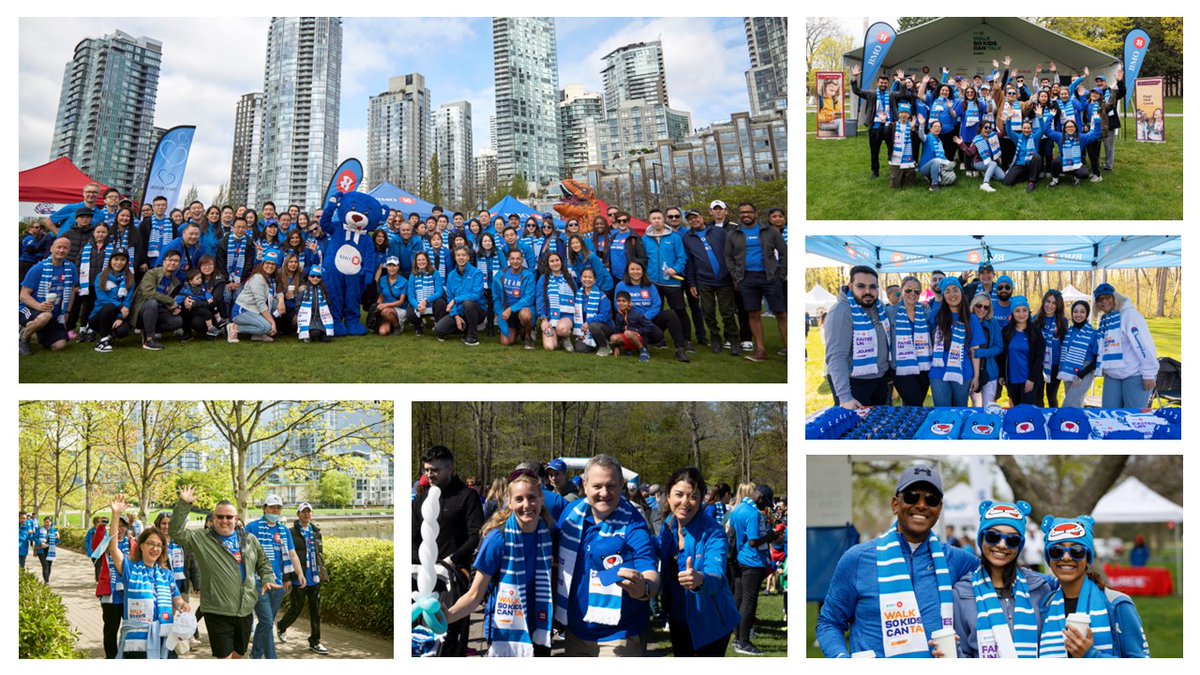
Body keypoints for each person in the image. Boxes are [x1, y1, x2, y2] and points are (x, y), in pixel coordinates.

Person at [816, 465, 978, 658]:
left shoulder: (960, 560)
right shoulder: (857, 559)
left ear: (939, 509)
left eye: (931, 499)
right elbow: (829, 623)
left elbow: (1000, 583)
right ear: (895, 504)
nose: (921, 505)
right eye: (911, 497)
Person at [555, 454, 659, 656]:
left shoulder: (634, 526)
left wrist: (644, 588)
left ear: (621, 485)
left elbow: (649, 570)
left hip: (619, 637)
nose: (604, 493)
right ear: (585, 485)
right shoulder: (570, 515)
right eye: (597, 486)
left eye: (611, 486)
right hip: (575, 632)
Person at [444, 469, 555, 656]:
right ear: (509, 503)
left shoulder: (549, 533)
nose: (526, 505)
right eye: (519, 499)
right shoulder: (496, 540)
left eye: (532, 497)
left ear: (542, 499)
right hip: (504, 629)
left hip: (540, 628)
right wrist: (448, 616)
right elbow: (474, 595)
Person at [169, 486, 280, 659]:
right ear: (213, 519)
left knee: (238, 655)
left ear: (236, 519)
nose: (224, 520)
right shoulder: (201, 538)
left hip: (245, 610)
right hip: (217, 611)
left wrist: (267, 578)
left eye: (229, 517)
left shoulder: (249, 539)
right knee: (224, 658)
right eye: (220, 517)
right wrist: (184, 504)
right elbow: (175, 532)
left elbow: (263, 562)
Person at [952, 500, 1055, 658]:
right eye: (993, 536)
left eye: (1012, 540)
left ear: (1020, 545)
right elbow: (963, 654)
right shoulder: (961, 593)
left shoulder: (1039, 589)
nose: (1001, 545)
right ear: (981, 539)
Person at [1039, 515, 1150, 657]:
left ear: (1088, 559)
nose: (1066, 557)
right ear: (1049, 559)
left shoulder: (1116, 604)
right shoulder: (1044, 606)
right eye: (1056, 551)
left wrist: (1090, 655)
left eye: (1077, 551)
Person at [411, 446, 484, 655]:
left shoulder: (467, 497)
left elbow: (475, 535)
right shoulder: (422, 500)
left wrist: (452, 559)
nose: (429, 474)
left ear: (449, 469)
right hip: (423, 576)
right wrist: (421, 562)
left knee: (450, 633)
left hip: (454, 575)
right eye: (426, 470)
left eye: (434, 470)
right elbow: (412, 536)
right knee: (421, 637)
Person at [104, 495, 190, 658]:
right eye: (150, 543)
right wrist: (115, 516)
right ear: (141, 546)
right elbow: (113, 549)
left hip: (165, 639)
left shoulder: (166, 575)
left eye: (159, 545)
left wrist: (182, 605)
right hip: (137, 644)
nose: (155, 549)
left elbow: (176, 599)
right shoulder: (130, 570)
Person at [245, 495, 306, 659]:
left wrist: (299, 574)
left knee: (267, 622)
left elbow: (292, 554)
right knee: (266, 622)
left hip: (278, 585)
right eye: (272, 507)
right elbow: (242, 555)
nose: (275, 510)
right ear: (264, 508)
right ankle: (272, 658)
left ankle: (256, 655)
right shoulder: (252, 528)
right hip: (259, 583)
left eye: (278, 507)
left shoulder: (284, 530)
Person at [725, 202, 786, 362]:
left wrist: (782, 273)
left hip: (770, 277)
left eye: (749, 212)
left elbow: (784, 252)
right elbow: (728, 256)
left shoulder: (770, 231)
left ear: (755, 213)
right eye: (742, 212)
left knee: (781, 313)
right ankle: (760, 351)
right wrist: (735, 276)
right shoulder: (733, 234)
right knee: (753, 314)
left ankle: (790, 350)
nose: (745, 215)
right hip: (747, 278)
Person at [825, 265, 891, 408]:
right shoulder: (841, 312)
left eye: (873, 287)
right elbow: (836, 356)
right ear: (850, 286)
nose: (868, 291)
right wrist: (845, 398)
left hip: (879, 380)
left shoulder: (879, 307)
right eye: (861, 286)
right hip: (854, 384)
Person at [727, 483, 779, 655]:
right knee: (749, 601)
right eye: (766, 503)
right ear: (761, 498)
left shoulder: (739, 508)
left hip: (739, 559)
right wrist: (770, 536)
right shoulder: (753, 514)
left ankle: (736, 637)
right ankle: (744, 641)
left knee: (739, 598)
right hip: (752, 560)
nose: (766, 508)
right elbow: (753, 541)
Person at [681, 210, 739, 356]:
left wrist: (734, 275)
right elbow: (690, 263)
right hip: (703, 280)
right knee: (708, 311)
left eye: (696, 217)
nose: (694, 221)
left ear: (702, 218)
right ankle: (715, 338)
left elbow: (731, 252)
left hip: (724, 278)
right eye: (690, 219)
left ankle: (733, 339)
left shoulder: (718, 232)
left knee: (727, 312)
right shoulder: (687, 238)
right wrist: (692, 283)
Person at [1092, 283, 1159, 408]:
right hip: (1113, 375)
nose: (1104, 302)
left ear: (1115, 297)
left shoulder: (1129, 315)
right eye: (1100, 300)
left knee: (1133, 416)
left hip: (1134, 374)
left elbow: (1143, 345)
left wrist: (1149, 374)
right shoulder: (1105, 319)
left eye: (1107, 298)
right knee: (1109, 413)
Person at [277, 502, 329, 655]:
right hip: (298, 577)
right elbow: (285, 556)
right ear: (298, 514)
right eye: (303, 511)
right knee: (296, 608)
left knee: (316, 611)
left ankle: (315, 641)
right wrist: (287, 577)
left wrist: (321, 572)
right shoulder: (290, 532)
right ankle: (281, 625)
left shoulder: (316, 532)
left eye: (309, 511)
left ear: (311, 514)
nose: (306, 514)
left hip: (314, 578)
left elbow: (319, 555)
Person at [615, 261, 689, 363]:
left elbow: (656, 305)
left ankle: (680, 350)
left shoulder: (650, 286)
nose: (635, 272)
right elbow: (617, 305)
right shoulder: (621, 285)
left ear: (643, 271)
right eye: (632, 269)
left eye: (638, 269)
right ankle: (637, 347)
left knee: (670, 314)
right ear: (627, 271)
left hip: (648, 320)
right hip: (631, 322)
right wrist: (635, 318)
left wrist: (644, 317)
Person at [642, 209, 693, 351]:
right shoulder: (645, 239)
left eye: (659, 218)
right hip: (653, 282)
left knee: (679, 310)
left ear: (663, 219)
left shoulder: (675, 237)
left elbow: (682, 257)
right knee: (656, 311)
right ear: (650, 220)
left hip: (672, 281)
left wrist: (675, 269)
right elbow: (644, 259)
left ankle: (686, 340)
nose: (657, 221)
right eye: (654, 218)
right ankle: (659, 339)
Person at [929, 277, 984, 407]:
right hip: (939, 372)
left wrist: (976, 376)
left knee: (959, 412)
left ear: (961, 293)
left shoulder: (971, 319)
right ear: (943, 295)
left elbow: (974, 350)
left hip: (962, 371)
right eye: (947, 291)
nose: (952, 294)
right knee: (943, 414)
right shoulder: (935, 316)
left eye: (955, 290)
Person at [19, 236, 76, 356]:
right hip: (30, 309)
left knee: (60, 345)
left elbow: (71, 291)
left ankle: (25, 330)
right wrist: (39, 306)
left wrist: (66, 312)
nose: (61, 250)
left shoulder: (71, 268)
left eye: (65, 248)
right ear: (51, 249)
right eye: (58, 247)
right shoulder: (38, 268)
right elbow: (23, 295)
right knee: (45, 316)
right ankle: (21, 340)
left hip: (54, 313)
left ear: (69, 250)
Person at [888, 275, 931, 406]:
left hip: (923, 367)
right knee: (915, 403)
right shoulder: (890, 312)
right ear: (901, 290)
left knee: (913, 405)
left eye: (917, 291)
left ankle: (909, 425)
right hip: (901, 367)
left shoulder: (926, 311)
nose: (913, 293)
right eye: (908, 290)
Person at [849, 63, 897, 179]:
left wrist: (901, 82)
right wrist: (854, 77)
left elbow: (903, 94)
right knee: (874, 151)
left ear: (888, 84)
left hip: (889, 127)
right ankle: (875, 171)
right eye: (881, 83)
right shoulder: (871, 94)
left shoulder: (891, 95)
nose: (883, 85)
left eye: (885, 83)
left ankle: (894, 171)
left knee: (892, 151)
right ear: (877, 83)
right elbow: (857, 91)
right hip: (875, 128)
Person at [131, 249, 184, 351]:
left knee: (177, 321)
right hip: (142, 310)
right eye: (170, 260)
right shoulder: (151, 273)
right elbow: (148, 293)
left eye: (176, 261)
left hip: (159, 311)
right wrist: (171, 302)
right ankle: (149, 340)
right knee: (152, 303)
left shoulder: (175, 280)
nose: (173, 263)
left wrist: (172, 307)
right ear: (164, 262)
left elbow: (166, 299)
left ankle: (148, 330)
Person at [998, 296, 1044, 406]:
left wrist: (1031, 378)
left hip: (1029, 381)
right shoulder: (1006, 331)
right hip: (1012, 380)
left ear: (1028, 312)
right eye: (1017, 311)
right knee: (1016, 411)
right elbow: (1002, 355)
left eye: (1024, 310)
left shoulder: (1035, 332)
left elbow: (1039, 357)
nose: (1021, 314)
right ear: (1012, 313)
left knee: (1027, 412)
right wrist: (1002, 375)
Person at [229, 250, 282, 344]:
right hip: (242, 310)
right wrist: (272, 323)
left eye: (273, 264)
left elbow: (278, 290)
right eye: (268, 263)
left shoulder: (270, 278)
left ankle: (257, 335)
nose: (270, 266)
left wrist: (281, 301)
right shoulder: (258, 277)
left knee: (275, 304)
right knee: (267, 327)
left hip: (254, 311)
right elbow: (260, 303)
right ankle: (234, 327)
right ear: (262, 263)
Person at [1059, 300, 1100, 408]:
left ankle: (1066, 422)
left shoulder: (1093, 333)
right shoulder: (1068, 332)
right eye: (1075, 311)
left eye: (1082, 312)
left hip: (1084, 370)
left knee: (1070, 404)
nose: (1078, 314)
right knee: (1076, 403)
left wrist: (1082, 374)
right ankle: (1079, 423)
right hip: (1068, 369)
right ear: (1072, 313)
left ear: (1087, 314)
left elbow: (1097, 360)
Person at [535, 251, 577, 352]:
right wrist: (544, 320)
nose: (555, 263)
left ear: (561, 262)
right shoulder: (543, 279)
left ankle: (565, 337)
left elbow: (577, 296)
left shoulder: (569, 278)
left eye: (557, 260)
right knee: (550, 347)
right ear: (548, 264)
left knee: (562, 328)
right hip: (551, 317)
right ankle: (558, 339)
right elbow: (540, 299)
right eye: (552, 261)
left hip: (566, 316)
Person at [1034, 290, 1068, 407]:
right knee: (1038, 397)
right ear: (1044, 302)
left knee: (1052, 396)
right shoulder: (1035, 320)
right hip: (1038, 364)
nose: (1050, 305)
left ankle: (1054, 420)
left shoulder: (1062, 322)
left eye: (1054, 303)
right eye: (1048, 301)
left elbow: (1064, 344)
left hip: (1055, 365)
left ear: (1058, 306)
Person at [969, 292, 1003, 408]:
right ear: (973, 305)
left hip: (990, 372)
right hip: (971, 372)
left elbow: (999, 346)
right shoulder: (967, 321)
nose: (982, 310)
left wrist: (982, 353)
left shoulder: (993, 323)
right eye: (979, 305)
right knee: (976, 407)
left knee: (989, 407)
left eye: (986, 307)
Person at [573, 267, 613, 356]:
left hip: (602, 327)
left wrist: (588, 322)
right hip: (585, 329)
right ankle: (596, 343)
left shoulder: (601, 295)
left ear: (595, 280)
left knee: (593, 326)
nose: (587, 279)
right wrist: (580, 331)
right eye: (585, 277)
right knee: (580, 349)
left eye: (590, 277)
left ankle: (604, 346)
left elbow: (605, 316)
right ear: (581, 278)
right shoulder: (578, 295)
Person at [610, 290, 655, 362]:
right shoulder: (618, 315)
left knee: (628, 333)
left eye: (624, 301)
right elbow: (617, 330)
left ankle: (643, 351)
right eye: (619, 301)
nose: (621, 303)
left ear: (629, 303)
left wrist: (638, 331)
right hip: (627, 337)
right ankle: (628, 349)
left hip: (639, 338)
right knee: (613, 338)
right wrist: (616, 347)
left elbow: (650, 326)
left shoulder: (636, 314)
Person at [374, 256, 407, 336]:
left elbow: (401, 301)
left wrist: (385, 305)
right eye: (389, 265)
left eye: (394, 266)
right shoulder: (382, 280)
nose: (391, 268)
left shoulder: (404, 281)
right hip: (385, 310)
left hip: (399, 309)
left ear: (398, 267)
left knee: (385, 311)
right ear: (386, 267)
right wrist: (377, 306)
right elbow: (381, 297)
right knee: (382, 332)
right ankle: (391, 324)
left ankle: (397, 326)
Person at [36, 515, 59, 583]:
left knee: (49, 566)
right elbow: (34, 538)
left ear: (51, 523)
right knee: (45, 566)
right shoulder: (39, 529)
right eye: (45, 522)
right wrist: (40, 543)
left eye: (48, 522)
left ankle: (47, 580)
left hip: (50, 550)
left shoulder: (54, 531)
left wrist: (57, 538)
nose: (47, 523)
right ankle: (47, 582)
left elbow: (57, 541)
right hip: (41, 550)